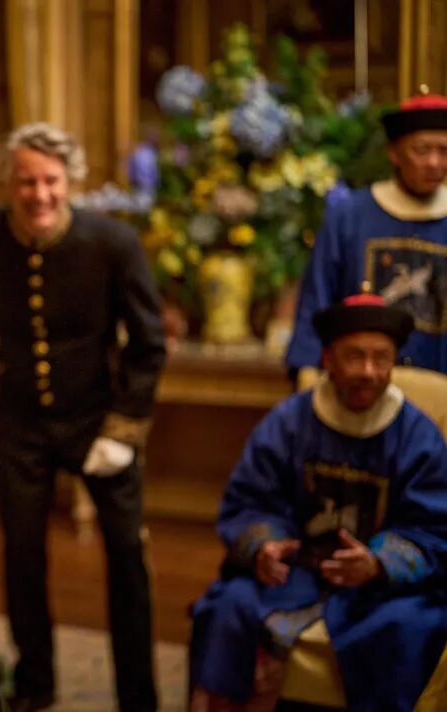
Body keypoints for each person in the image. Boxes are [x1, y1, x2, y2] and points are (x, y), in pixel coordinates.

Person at [0, 123, 166, 712]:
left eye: (51, 181)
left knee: (126, 557)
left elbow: (148, 343)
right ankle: (35, 684)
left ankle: (139, 696)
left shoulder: (113, 242)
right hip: (21, 421)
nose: (40, 194)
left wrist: (124, 428)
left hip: (99, 418)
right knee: (22, 555)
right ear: (7, 183)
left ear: (69, 181)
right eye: (27, 182)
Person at [190, 294, 447, 711]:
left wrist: (378, 562)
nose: (369, 371)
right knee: (228, 607)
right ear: (328, 359)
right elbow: (250, 501)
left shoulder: (417, 437)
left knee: (411, 628)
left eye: (381, 358)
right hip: (292, 574)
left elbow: (433, 527)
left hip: (379, 591)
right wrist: (265, 546)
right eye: (355, 357)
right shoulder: (288, 423)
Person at [286, 91, 447, 374]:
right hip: (360, 382)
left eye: (444, 151)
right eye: (422, 150)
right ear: (394, 152)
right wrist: (307, 371)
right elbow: (317, 299)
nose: (434, 162)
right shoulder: (348, 216)